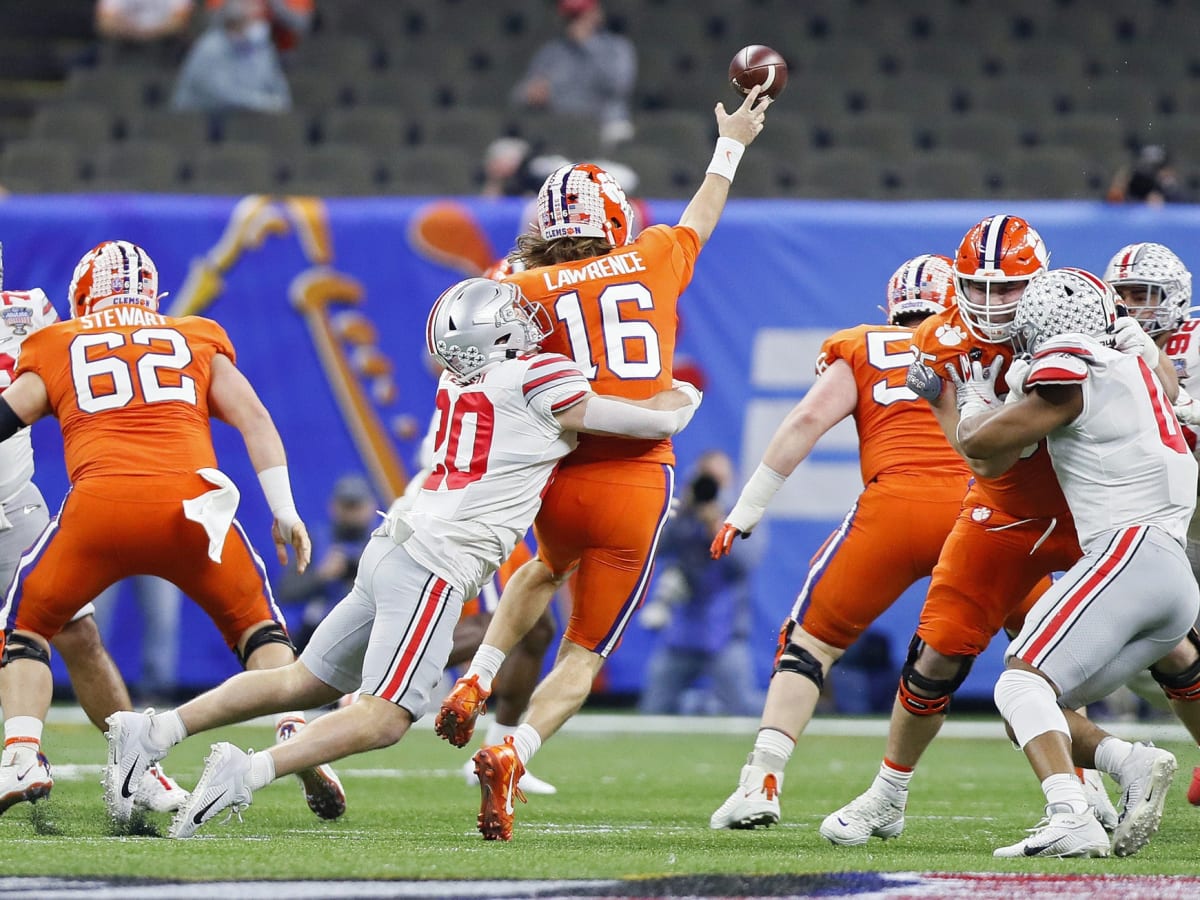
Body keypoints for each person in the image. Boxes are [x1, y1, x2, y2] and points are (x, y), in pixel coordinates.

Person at [101, 276, 702, 839]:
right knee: (389, 717)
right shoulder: (537, 377)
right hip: (435, 563)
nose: (524, 319)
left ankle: (153, 730)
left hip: (397, 543)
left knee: (302, 680)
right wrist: (681, 399)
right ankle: (248, 772)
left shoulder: (459, 381)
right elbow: (646, 423)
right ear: (489, 336)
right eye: (509, 316)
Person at [434, 85, 770, 842]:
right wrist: (732, 142)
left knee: (543, 570)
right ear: (614, 221)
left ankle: (477, 678)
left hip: (559, 472)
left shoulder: (520, 287)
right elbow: (703, 213)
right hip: (638, 474)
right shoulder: (651, 257)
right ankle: (514, 751)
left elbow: (456, 360)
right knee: (584, 651)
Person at [822, 217, 1183, 850]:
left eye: (1007, 288)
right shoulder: (942, 337)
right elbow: (987, 464)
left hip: (1089, 510)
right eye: (976, 285)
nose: (990, 303)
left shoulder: (1070, 318)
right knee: (938, 655)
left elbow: (995, 442)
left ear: (1039, 287)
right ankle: (890, 792)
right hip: (1007, 513)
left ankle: (1087, 793)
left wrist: (952, 401)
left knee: (1170, 654)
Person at [0, 240, 342, 829]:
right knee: (260, 630)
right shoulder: (196, 333)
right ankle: (293, 736)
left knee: (28, 627)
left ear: (85, 298)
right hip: (195, 509)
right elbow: (254, 417)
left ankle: (22, 753)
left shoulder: (57, 339)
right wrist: (284, 508)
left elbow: (9, 416)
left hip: (101, 506)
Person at [706, 254, 971, 828]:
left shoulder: (860, 346)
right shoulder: (977, 344)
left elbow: (806, 420)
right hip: (980, 511)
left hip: (894, 508)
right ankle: (1079, 787)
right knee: (1040, 659)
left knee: (810, 647)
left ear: (892, 305)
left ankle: (762, 782)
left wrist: (747, 507)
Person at [955, 267, 1199, 857]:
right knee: (1036, 708)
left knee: (1017, 682)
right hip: (1171, 576)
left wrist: (971, 402)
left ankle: (1070, 813)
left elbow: (983, 450)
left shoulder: (1072, 361)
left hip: (1129, 548)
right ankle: (1131, 762)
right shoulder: (1136, 364)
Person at [0, 244, 185, 816]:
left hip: (11, 504)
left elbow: (105, 355)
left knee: (77, 633)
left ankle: (137, 769)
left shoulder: (27, 311)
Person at [1103, 242, 1200, 808]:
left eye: (1145, 294)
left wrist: (1184, 407)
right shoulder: (1105, 348)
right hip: (1161, 517)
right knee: (1150, 646)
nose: (1134, 307)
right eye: (1124, 295)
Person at [639, 450, 763, 717]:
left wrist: (716, 528)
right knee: (654, 709)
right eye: (707, 479)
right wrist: (680, 512)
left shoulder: (743, 514)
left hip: (725, 631)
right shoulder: (682, 512)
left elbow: (746, 563)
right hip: (682, 628)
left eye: (717, 480)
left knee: (743, 708)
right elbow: (653, 549)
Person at [510, 0, 637, 148]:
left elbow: (619, 87)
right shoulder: (551, 52)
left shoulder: (617, 47)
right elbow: (518, 95)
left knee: (619, 133)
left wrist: (588, 45)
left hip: (605, 126)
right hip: (561, 129)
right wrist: (530, 94)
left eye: (581, 15)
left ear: (597, 14)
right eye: (572, 17)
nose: (576, 22)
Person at [277, 473, 378, 652]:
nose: (352, 513)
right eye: (347, 506)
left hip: (371, 632)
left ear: (371, 507)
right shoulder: (315, 540)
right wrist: (321, 576)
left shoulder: (383, 541)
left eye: (357, 506)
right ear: (334, 507)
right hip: (320, 633)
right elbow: (286, 591)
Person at [171, 0, 291, 114]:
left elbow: (279, 91)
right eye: (240, 23)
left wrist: (276, 103)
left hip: (245, 123)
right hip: (196, 121)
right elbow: (220, 93)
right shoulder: (210, 46)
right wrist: (262, 103)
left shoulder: (262, 48)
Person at [90, 576, 183, 705]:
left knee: (162, 620)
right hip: (106, 556)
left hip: (159, 556)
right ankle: (93, 690)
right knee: (91, 621)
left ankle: (156, 693)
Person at [1106, 144, 1190, 206]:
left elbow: (1183, 209)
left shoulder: (1171, 190)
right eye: (1148, 167)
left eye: (1158, 168)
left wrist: (1167, 194)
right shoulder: (1133, 185)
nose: (1152, 173)